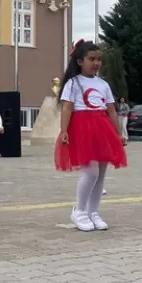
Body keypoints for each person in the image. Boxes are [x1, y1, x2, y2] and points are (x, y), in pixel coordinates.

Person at [54, 40, 126, 232]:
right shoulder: (73, 82)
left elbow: (111, 110)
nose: (96, 63)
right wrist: (64, 130)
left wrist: (118, 134)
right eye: (91, 59)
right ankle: (79, 211)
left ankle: (93, 211)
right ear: (79, 61)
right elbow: (67, 107)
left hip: (102, 129)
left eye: (99, 60)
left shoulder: (103, 84)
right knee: (90, 172)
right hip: (82, 129)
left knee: (101, 173)